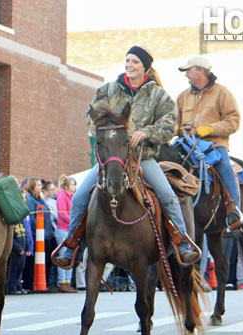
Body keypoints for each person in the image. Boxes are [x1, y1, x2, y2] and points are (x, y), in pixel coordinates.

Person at [55, 45, 198, 267]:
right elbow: (90, 117)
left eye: (135, 62)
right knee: (81, 194)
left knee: (168, 195)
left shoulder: (158, 95)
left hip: (143, 157)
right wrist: (109, 132)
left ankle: (182, 242)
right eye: (128, 61)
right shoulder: (109, 90)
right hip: (113, 158)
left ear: (145, 68)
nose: (129, 65)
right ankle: (72, 243)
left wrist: (145, 133)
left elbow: (170, 124)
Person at [177, 56, 243, 232]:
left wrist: (210, 129)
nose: (186, 76)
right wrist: (179, 131)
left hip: (214, 144)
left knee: (223, 164)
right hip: (187, 144)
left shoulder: (222, 92)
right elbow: (175, 124)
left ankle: (233, 210)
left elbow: (233, 121)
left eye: (188, 71)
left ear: (200, 71)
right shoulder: (183, 96)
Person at [55, 175, 76, 293]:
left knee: (71, 256)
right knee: (64, 255)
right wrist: (74, 222)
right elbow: (63, 214)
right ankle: (62, 281)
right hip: (63, 229)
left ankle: (68, 281)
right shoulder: (62, 195)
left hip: (71, 229)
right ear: (67, 186)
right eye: (72, 184)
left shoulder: (72, 196)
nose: (74, 187)